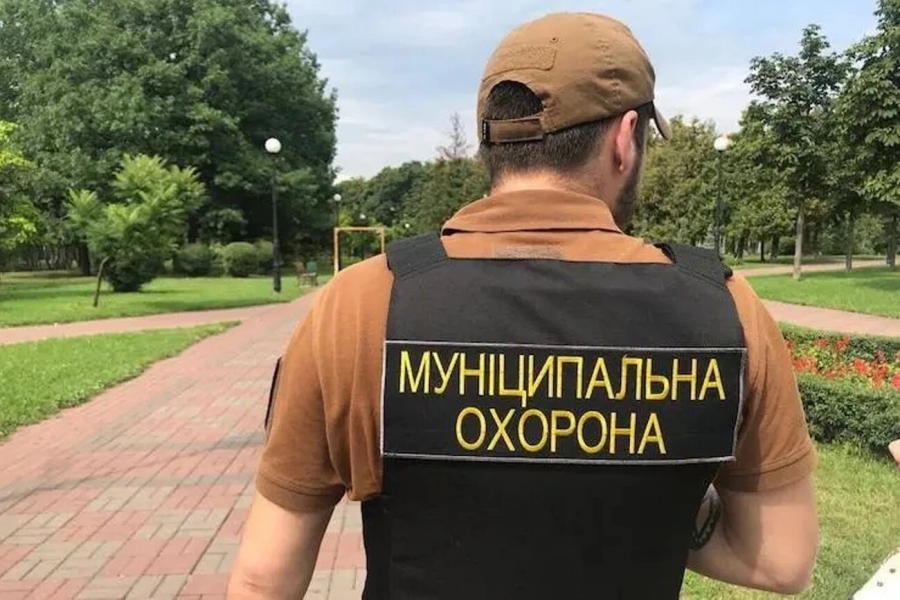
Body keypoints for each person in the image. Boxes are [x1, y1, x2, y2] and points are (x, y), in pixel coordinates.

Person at [227, 11, 819, 599]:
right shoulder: (723, 307)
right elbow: (780, 561)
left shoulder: (362, 302)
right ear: (624, 140)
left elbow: (262, 579)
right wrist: (654, 493)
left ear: (492, 143)